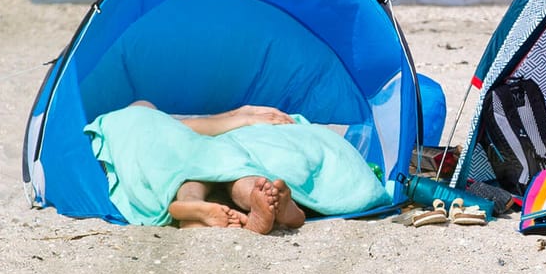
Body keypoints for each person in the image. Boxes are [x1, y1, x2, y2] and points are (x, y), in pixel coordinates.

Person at [84, 101, 389, 233]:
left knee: (191, 171)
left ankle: (189, 207)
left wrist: (240, 113)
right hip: (175, 139)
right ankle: (268, 196)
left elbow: (190, 127)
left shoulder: (116, 128)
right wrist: (244, 118)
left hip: (162, 160)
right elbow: (196, 126)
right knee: (221, 162)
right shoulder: (142, 114)